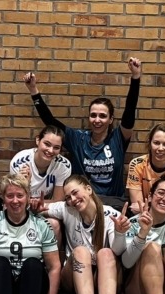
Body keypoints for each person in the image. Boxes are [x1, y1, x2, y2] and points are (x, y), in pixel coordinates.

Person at [33, 175, 143, 294]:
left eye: (75, 193)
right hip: (74, 274)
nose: (72, 200)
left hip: (104, 276)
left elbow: (118, 251)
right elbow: (42, 208)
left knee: (106, 253)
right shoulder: (67, 209)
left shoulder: (110, 215)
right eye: (68, 197)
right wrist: (35, 207)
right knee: (80, 251)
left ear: (89, 189)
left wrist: (120, 233)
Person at [23, 58, 142, 208]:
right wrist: (33, 91)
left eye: (102, 116)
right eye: (93, 115)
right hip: (82, 203)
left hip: (113, 204)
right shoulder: (77, 139)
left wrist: (136, 77)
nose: (97, 120)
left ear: (111, 119)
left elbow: (130, 111)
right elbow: (50, 120)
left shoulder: (118, 138)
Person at [10, 124, 71, 244]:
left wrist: (36, 203)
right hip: (21, 206)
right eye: (47, 144)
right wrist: (25, 183)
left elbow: (58, 200)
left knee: (54, 224)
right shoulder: (19, 162)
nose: (50, 151)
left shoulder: (63, 165)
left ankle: (53, 256)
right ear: (38, 140)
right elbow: (15, 199)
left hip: (44, 207)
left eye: (56, 147)